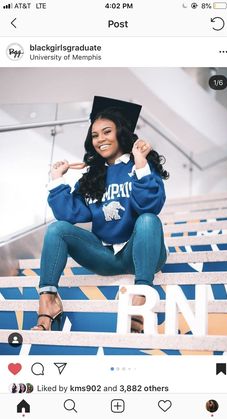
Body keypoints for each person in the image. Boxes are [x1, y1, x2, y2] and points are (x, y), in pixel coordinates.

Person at [32, 96, 169, 333]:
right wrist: (57, 178)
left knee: (148, 220)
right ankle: (49, 300)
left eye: (107, 132)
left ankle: (140, 299)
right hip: (104, 256)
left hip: (142, 253)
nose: (100, 140)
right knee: (57, 229)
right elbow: (69, 214)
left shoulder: (140, 166)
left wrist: (139, 163)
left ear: (121, 133)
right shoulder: (93, 177)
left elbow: (150, 205)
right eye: (95, 135)